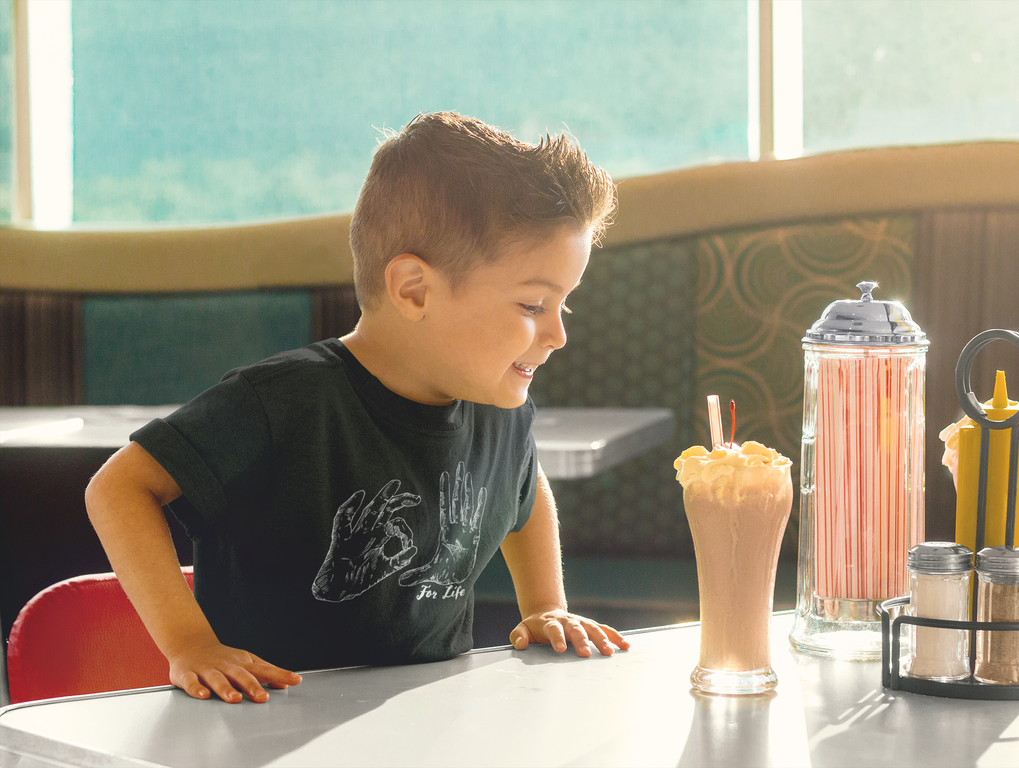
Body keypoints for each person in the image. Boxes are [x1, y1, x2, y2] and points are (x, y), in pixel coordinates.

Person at [85, 111, 629, 705]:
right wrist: (190, 643)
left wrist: (547, 605)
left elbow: (524, 488)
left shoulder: (498, 407)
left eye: (563, 307)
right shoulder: (283, 400)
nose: (558, 335)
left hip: (424, 730)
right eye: (532, 305)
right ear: (414, 290)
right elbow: (118, 489)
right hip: (261, 729)